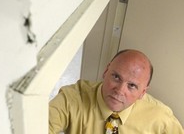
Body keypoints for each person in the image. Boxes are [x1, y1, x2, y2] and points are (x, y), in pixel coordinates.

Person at [49, 49, 184, 134]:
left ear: (142, 93)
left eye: (131, 85)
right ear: (106, 71)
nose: (119, 91)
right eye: (116, 77)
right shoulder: (72, 98)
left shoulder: (160, 117)